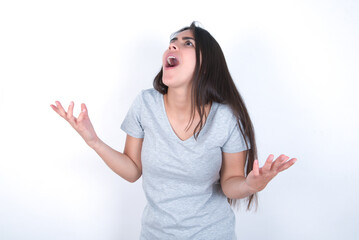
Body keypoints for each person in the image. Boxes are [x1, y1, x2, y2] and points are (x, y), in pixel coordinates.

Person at [50, 22, 297, 240]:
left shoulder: (225, 118)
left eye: (187, 43)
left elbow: (231, 183)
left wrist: (252, 184)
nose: (173, 46)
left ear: (206, 65)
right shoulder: (145, 104)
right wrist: (94, 141)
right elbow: (132, 170)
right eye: (172, 42)